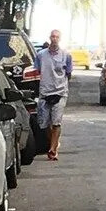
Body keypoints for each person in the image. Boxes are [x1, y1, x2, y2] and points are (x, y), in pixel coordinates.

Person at [36, 29, 73, 160]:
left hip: (60, 92)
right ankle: (54, 141)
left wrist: (61, 84)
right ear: (49, 38)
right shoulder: (41, 55)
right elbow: (38, 70)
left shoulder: (66, 55)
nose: (54, 39)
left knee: (56, 122)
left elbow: (68, 74)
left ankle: (52, 149)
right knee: (44, 124)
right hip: (45, 92)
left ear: (60, 39)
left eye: (57, 37)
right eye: (53, 36)